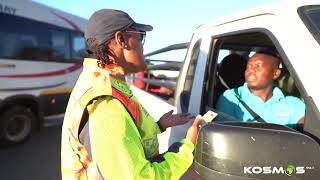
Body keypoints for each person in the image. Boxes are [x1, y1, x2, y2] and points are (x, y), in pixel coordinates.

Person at [61, 9, 203, 180]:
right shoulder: (105, 101)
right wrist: (187, 147)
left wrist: (159, 125)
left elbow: (126, 134)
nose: (143, 46)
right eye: (140, 37)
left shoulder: (104, 81)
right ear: (121, 40)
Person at [216, 51, 305, 128]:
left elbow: (308, 133)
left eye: (258, 66)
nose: (251, 70)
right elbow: (227, 134)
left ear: (275, 74)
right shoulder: (231, 97)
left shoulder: (292, 103)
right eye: (249, 66)